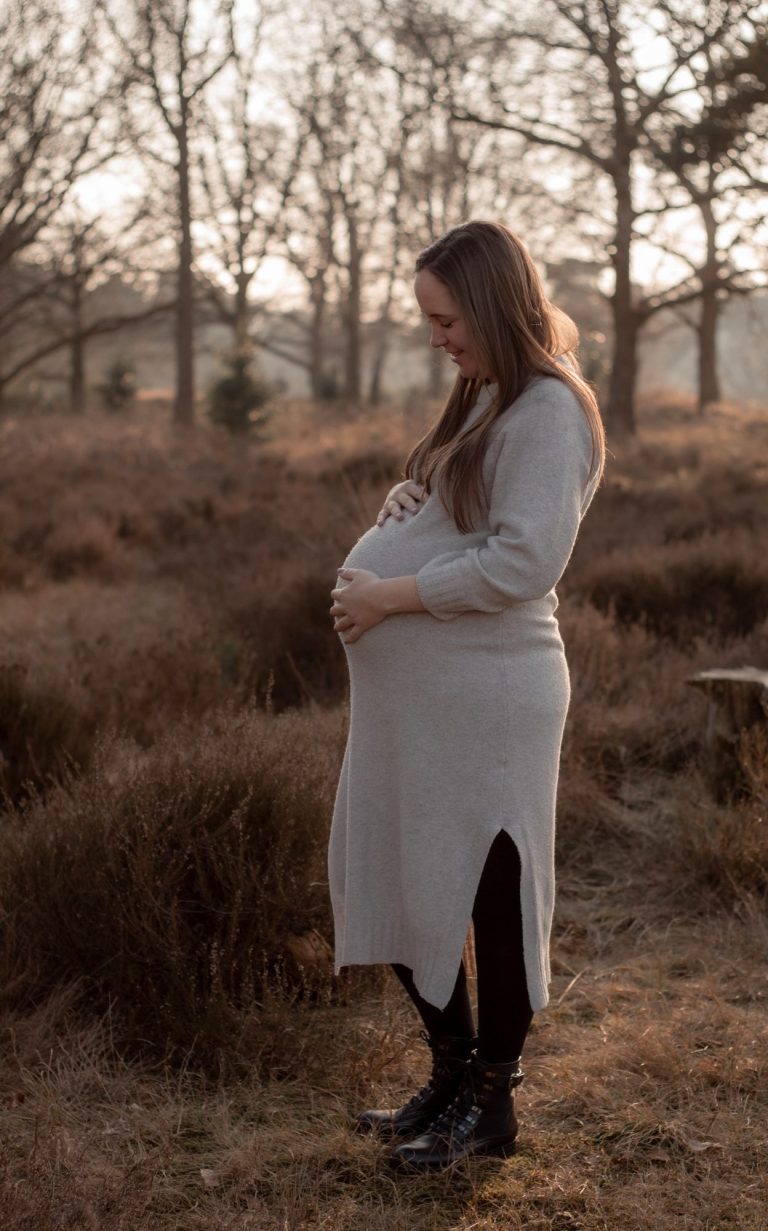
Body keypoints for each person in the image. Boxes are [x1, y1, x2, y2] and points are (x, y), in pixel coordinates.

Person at [327, 220, 605, 1172]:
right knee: (405, 868)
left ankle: (490, 1108)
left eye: (446, 318)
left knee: (490, 890)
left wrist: (392, 592)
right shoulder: (487, 401)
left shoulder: (550, 411)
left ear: (489, 304)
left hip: (492, 696)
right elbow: (470, 519)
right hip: (426, 701)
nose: (437, 338)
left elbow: (525, 560)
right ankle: (448, 1075)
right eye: (428, 320)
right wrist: (412, 504)